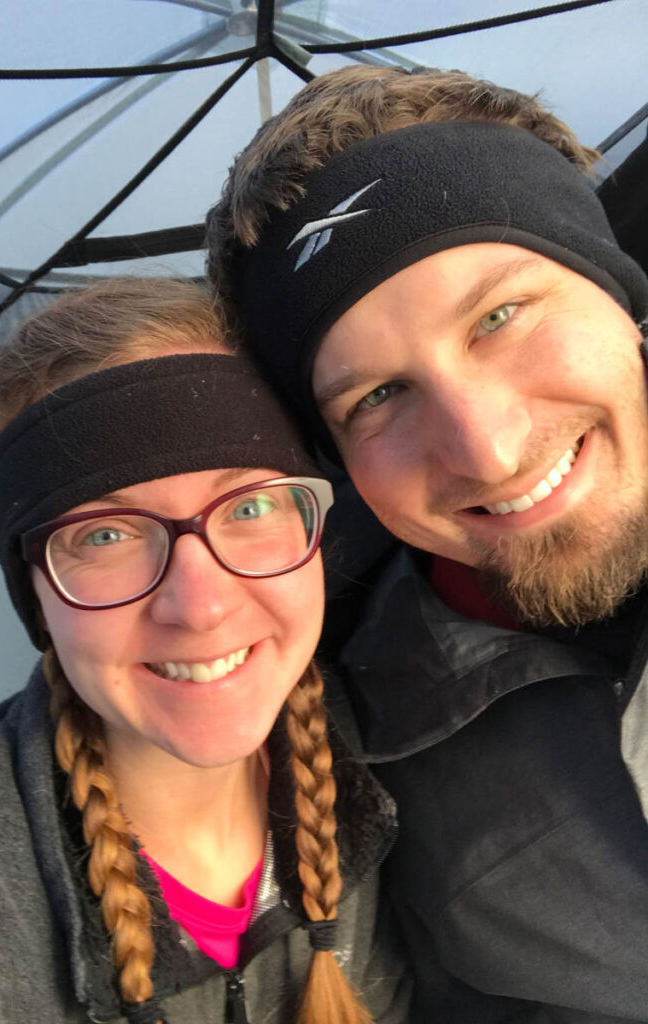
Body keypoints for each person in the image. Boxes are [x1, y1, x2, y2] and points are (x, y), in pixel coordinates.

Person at [206, 67, 648, 1022]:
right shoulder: (352, 770)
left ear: (617, 289)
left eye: (500, 315)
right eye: (377, 397)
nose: (484, 449)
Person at [0, 277, 411, 1024]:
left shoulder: (404, 742)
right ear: (37, 595)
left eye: (251, 506)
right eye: (105, 535)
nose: (201, 605)